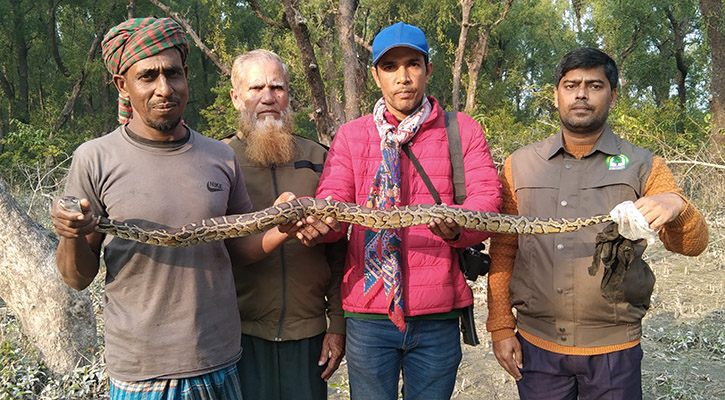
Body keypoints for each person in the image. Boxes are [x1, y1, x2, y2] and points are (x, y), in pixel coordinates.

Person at [50, 18, 298, 399]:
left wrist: (283, 226)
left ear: (186, 77)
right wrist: (70, 235)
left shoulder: (221, 156)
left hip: (218, 360)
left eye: (173, 74)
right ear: (123, 85)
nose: (164, 88)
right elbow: (77, 278)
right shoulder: (95, 159)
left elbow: (238, 250)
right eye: (147, 76)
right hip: (140, 371)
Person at [486, 47, 709, 399]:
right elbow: (503, 249)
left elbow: (693, 246)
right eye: (570, 85)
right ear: (556, 94)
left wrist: (676, 204)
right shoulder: (519, 165)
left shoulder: (643, 165)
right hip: (537, 345)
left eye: (594, 85)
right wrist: (500, 325)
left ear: (613, 95)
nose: (581, 94)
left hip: (613, 348)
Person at [309, 22, 502, 399]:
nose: (403, 77)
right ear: (375, 76)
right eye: (390, 67)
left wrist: (458, 226)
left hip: (438, 314)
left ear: (429, 69)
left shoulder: (461, 130)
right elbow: (333, 201)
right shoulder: (352, 136)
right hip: (368, 315)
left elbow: (487, 201)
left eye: (413, 64)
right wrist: (323, 220)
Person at [222, 49, 347, 400]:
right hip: (239, 337)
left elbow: (340, 252)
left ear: (289, 94)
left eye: (277, 87)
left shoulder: (320, 158)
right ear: (236, 97)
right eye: (255, 88)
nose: (267, 97)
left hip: (307, 337)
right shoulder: (218, 160)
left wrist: (336, 325)